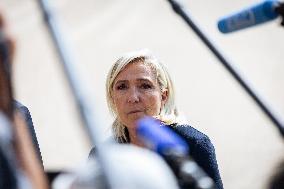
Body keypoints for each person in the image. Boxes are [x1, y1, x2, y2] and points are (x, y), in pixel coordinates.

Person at [89, 49, 223, 188]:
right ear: (112, 98)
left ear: (163, 96)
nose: (133, 98)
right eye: (122, 87)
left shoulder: (194, 145)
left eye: (145, 86)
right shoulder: (101, 156)